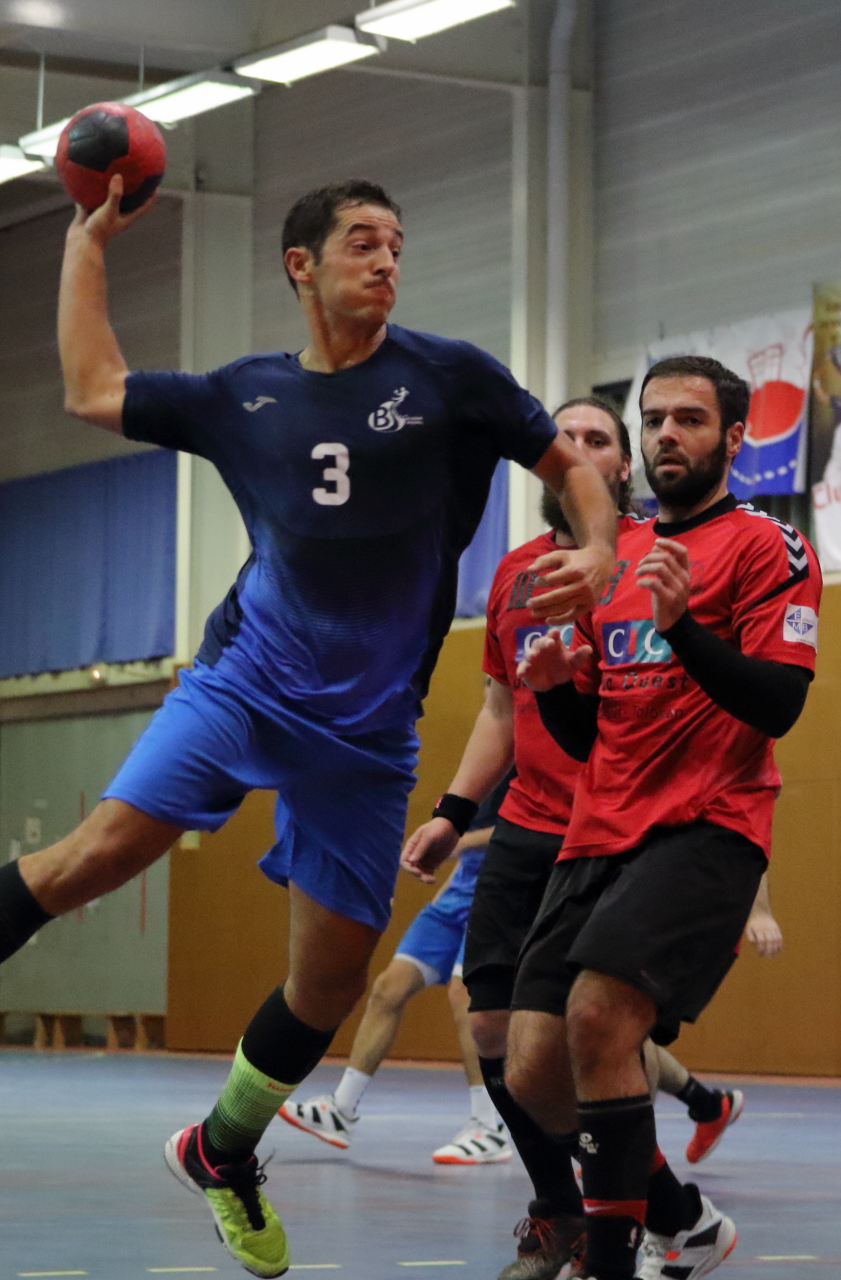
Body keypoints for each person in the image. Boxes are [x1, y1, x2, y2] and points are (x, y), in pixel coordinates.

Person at [0, 179, 616, 1279]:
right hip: (243, 684)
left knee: (329, 984)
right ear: (300, 264)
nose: (386, 260)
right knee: (95, 852)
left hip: (367, 732)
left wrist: (599, 548)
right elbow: (92, 388)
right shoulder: (246, 396)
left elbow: (567, 465)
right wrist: (85, 239)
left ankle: (221, 1151)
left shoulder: (450, 377)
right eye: (361, 243)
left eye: (396, 243)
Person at [401, 396, 783, 1279]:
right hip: (530, 826)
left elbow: (727, 729)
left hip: (625, 829)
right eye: (559, 438)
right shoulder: (514, 575)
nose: (571, 450)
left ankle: (597, 1225)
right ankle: (626, 1211)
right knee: (497, 1033)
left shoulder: (652, 560)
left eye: (594, 439)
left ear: (619, 468)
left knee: (594, 1026)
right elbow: (504, 707)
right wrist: (454, 812)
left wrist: (754, 888)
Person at [507, 356, 821, 1280]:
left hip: (706, 827)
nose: (664, 436)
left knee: (599, 1018)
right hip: (597, 831)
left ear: (734, 437)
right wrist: (555, 688)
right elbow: (586, 733)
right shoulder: (614, 552)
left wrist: (682, 627)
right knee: (531, 1071)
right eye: (652, 420)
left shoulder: (768, 546)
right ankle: (681, 1221)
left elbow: (778, 704)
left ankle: (608, 1264)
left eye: (688, 419)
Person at [279, 781, 515, 1165]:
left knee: (465, 995)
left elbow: (530, 826)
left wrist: (456, 842)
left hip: (503, 891)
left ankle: (490, 1128)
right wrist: (453, 878)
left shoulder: (539, 757)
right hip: (459, 892)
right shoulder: (490, 767)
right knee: (389, 988)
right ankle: (341, 1110)